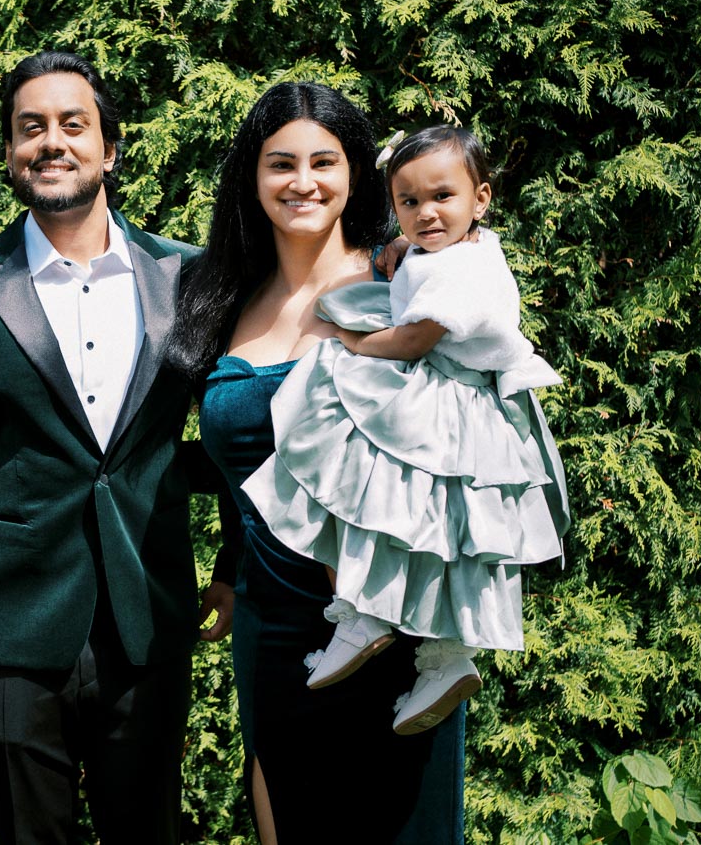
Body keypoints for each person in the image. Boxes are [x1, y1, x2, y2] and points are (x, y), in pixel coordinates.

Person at [0, 50, 235, 845]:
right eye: (31, 128)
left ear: (109, 148)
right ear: (9, 153)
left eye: (72, 124)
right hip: (12, 629)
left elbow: (235, 428)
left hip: (148, 614)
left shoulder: (190, 278)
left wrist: (232, 565)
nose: (51, 141)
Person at [169, 82, 466, 843]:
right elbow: (244, 466)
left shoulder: (405, 281)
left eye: (323, 162)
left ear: (356, 173)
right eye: (281, 163)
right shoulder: (218, 298)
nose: (303, 182)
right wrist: (229, 568)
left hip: (392, 626)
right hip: (270, 629)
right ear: (252, 176)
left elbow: (467, 437)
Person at [242, 124, 570, 735]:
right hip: (465, 403)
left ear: (482, 198)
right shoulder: (456, 247)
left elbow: (415, 339)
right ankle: (444, 657)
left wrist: (355, 342)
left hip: (452, 399)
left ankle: (366, 612)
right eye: (409, 202)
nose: (425, 214)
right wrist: (404, 244)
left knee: (367, 471)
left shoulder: (464, 271)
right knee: (443, 534)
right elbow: (425, 256)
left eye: (442, 197)